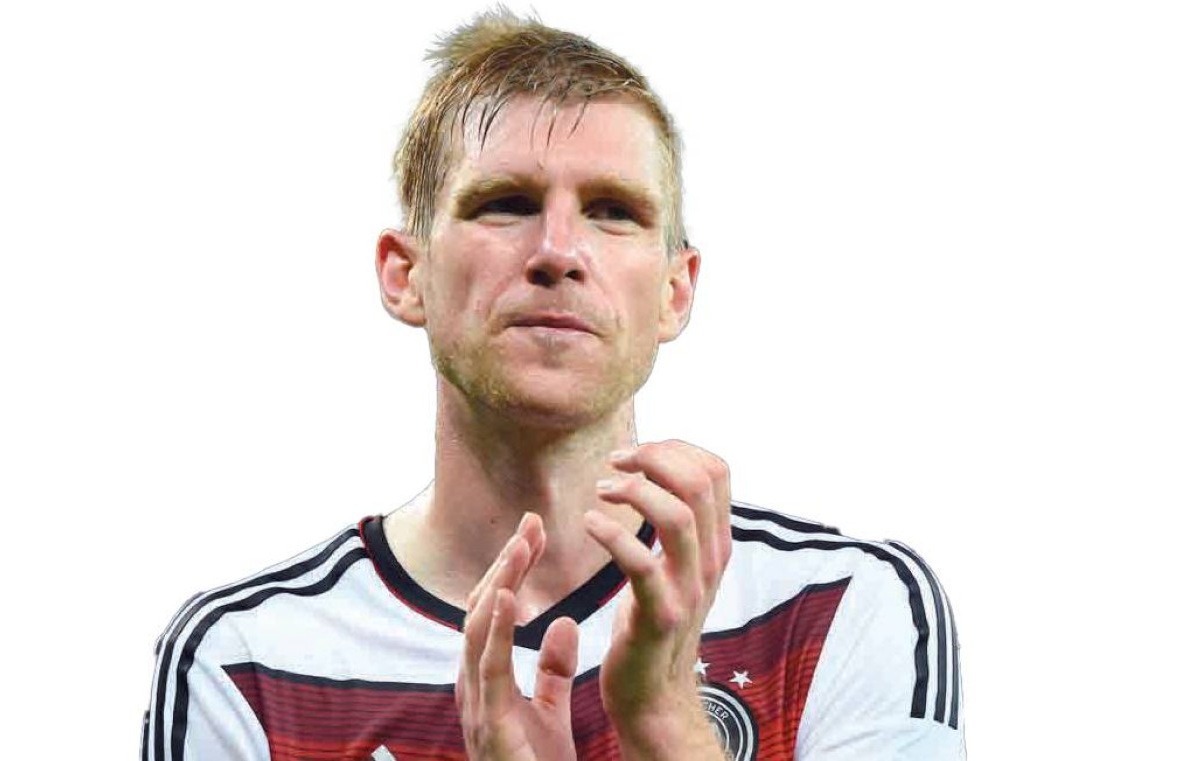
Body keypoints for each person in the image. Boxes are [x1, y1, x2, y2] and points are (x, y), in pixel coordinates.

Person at [143, 8, 965, 760]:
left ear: (675, 291)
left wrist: (665, 724)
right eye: (505, 203)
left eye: (614, 211)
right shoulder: (246, 659)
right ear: (404, 274)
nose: (559, 251)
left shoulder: (841, 605)